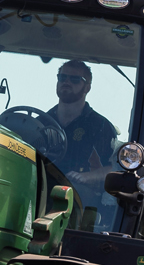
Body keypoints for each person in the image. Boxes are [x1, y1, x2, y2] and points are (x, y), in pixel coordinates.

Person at [51, 60, 119, 220]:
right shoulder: (43, 121)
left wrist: (88, 176)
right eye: (62, 77)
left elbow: (114, 168)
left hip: (82, 194)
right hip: (42, 182)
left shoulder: (100, 126)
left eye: (74, 79)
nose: (66, 82)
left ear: (87, 87)